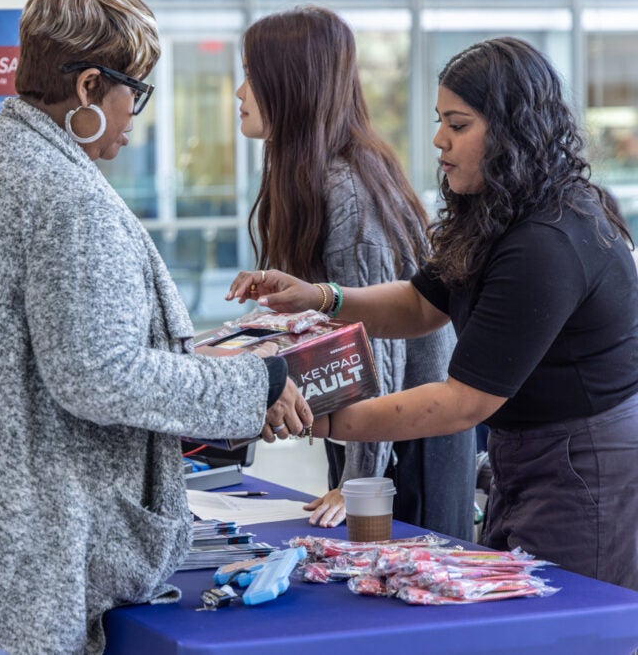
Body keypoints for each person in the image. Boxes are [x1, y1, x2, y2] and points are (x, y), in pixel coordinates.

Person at [0, 0, 312, 653]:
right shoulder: (67, 198)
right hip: (23, 551)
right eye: (135, 90)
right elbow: (100, 376)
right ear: (87, 90)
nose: (137, 113)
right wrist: (258, 384)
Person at [228, 36, 638, 591]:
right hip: (527, 454)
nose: (438, 139)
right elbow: (422, 305)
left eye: (459, 124)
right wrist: (322, 296)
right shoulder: (500, 209)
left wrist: (324, 420)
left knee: (559, 625)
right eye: (440, 120)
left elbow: (460, 402)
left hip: (583, 467)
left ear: (513, 132)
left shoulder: (546, 242)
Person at [232, 5, 475, 540]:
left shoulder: (346, 186)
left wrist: (360, 480)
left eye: (250, 74)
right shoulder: (312, 174)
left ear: (290, 84)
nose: (238, 92)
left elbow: (376, 347)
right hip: (372, 436)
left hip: (408, 442)